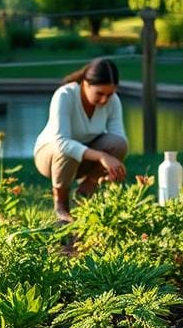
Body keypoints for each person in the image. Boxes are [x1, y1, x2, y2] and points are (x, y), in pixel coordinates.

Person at [34, 57, 128, 222]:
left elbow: (118, 138)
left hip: (83, 158)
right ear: (85, 83)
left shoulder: (113, 101)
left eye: (110, 94)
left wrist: (112, 167)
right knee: (66, 148)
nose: (105, 100)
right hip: (50, 157)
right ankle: (61, 205)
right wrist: (102, 157)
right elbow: (61, 142)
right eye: (100, 93)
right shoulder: (65, 95)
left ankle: (85, 191)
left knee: (119, 145)